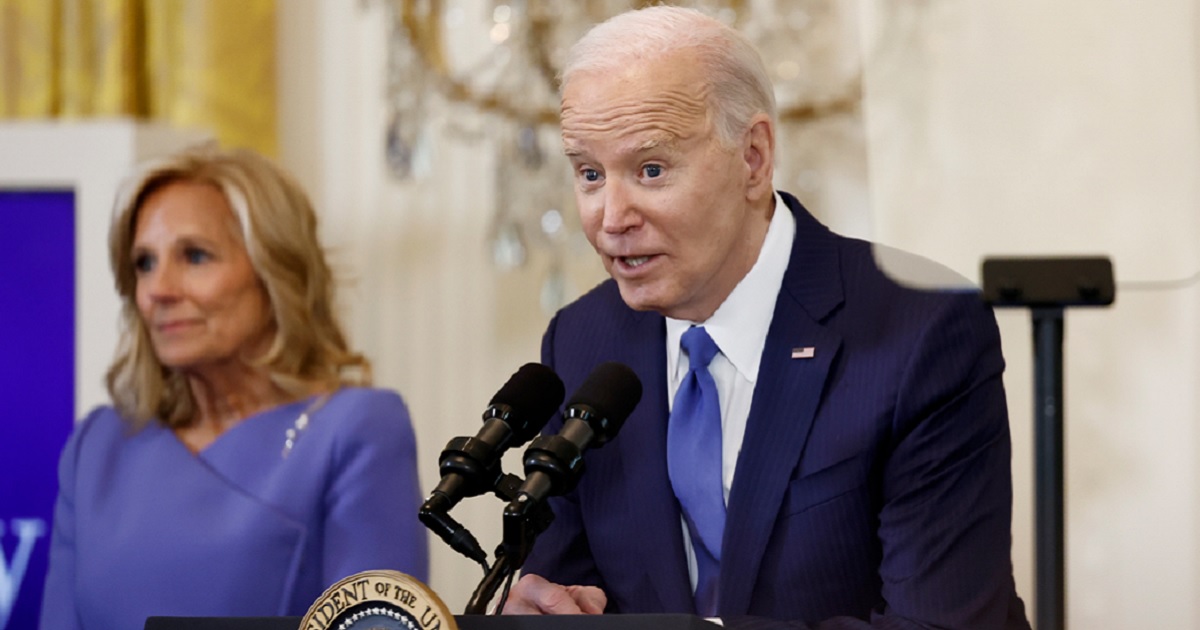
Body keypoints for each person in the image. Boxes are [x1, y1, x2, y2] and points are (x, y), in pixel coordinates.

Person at [503, 6, 1030, 629]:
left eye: (650, 169)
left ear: (752, 159)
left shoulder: (923, 330)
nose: (611, 217)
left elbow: (942, 624)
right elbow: (566, 584)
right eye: (590, 174)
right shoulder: (583, 339)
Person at [39, 144, 429, 630]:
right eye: (144, 263)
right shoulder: (97, 447)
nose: (159, 289)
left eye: (195, 256)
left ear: (275, 271)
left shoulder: (357, 430)